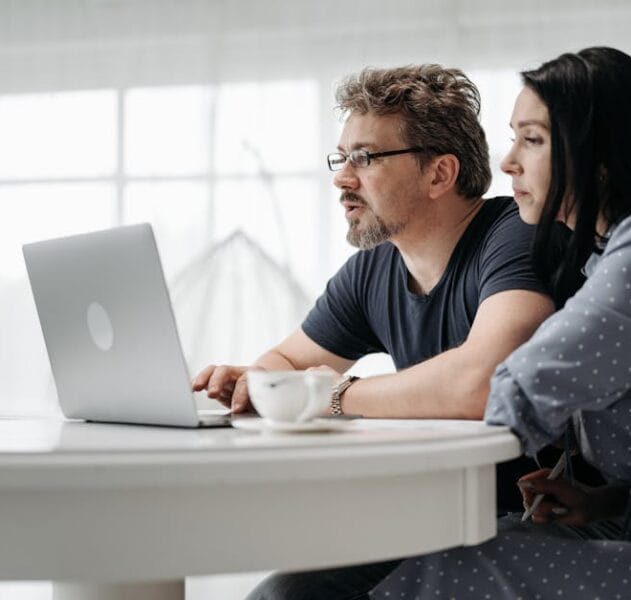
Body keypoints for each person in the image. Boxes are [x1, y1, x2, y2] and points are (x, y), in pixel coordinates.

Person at [372, 47, 631, 599]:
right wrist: (602, 501)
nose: (508, 163)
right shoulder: (627, 248)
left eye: (532, 140)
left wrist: (340, 400)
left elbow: (508, 390)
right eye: (513, 138)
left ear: (601, 157)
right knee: (479, 548)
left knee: (454, 567)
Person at [193, 65, 557, 599]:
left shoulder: (515, 238)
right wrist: (260, 383)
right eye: (341, 158)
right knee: (283, 594)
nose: (342, 178)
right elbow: (285, 362)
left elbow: (482, 384)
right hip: (444, 517)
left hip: (543, 518)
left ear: (439, 174)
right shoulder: (373, 268)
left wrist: (332, 395)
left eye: (364, 158)